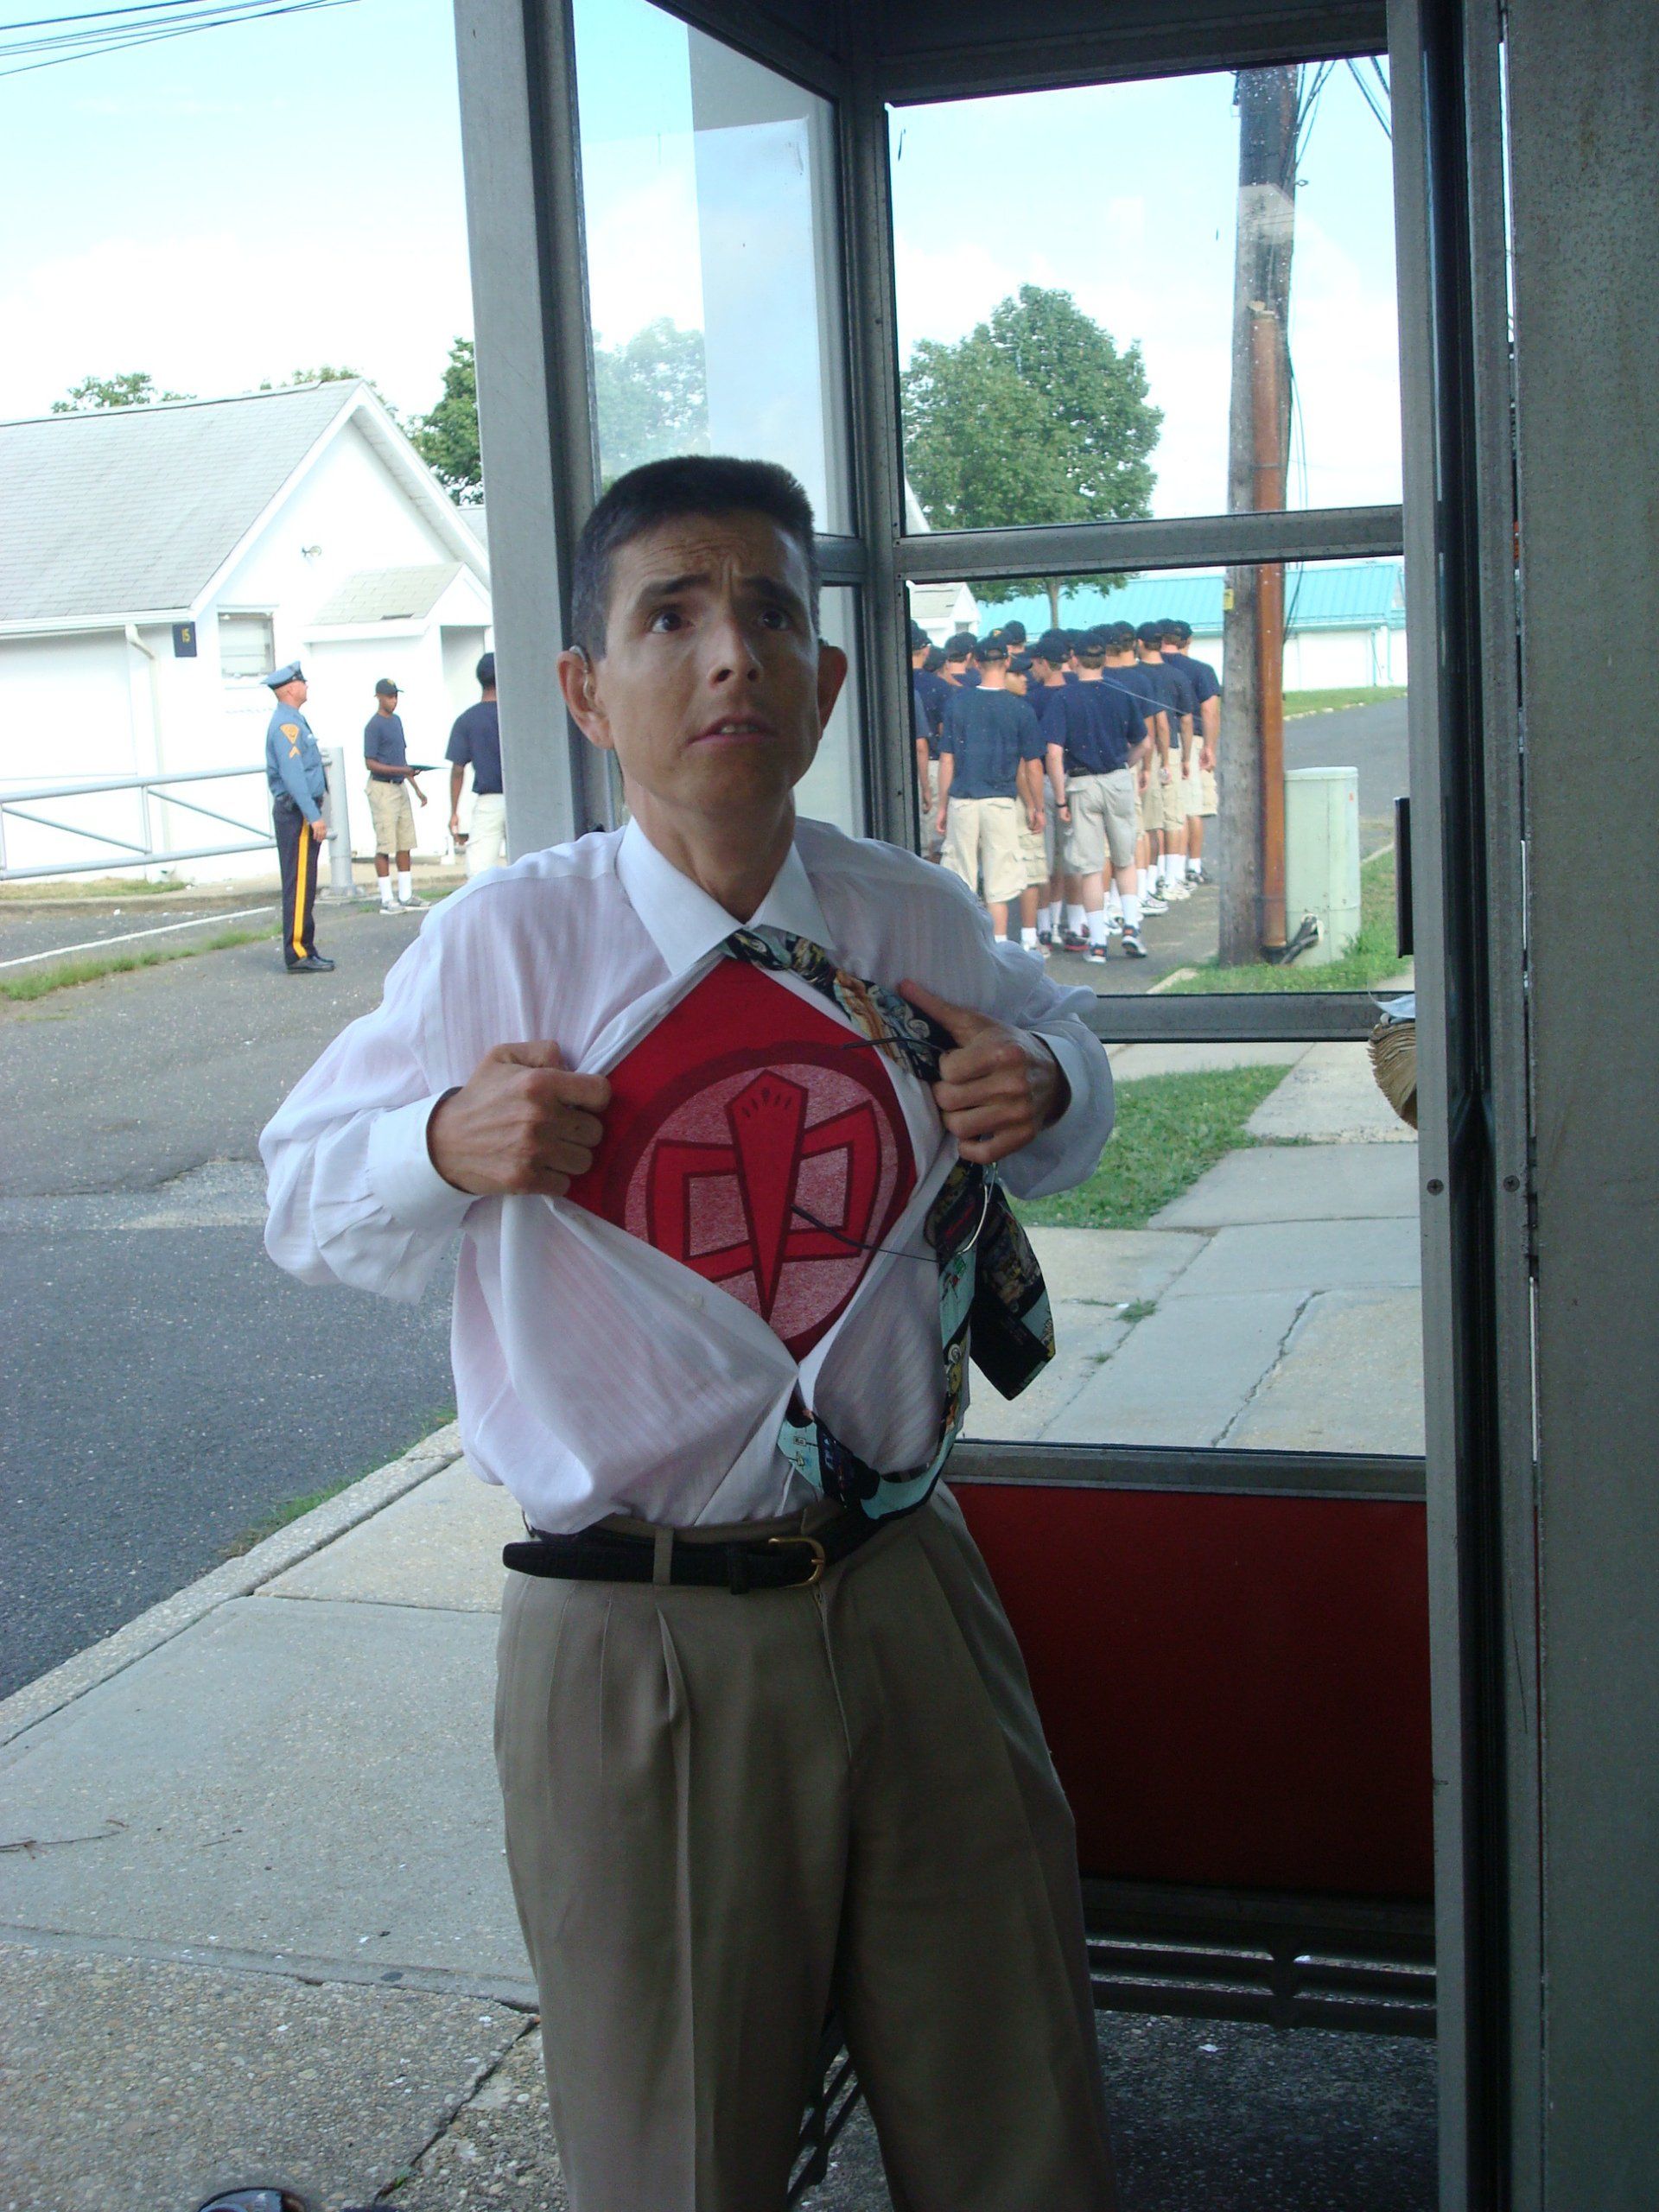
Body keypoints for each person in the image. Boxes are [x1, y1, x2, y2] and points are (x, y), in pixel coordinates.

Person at [261, 454, 1118, 2212]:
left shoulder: (907, 916)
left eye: (771, 614)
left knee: (1015, 2108)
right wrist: (440, 1143)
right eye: (672, 614)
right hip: (634, 1636)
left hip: (906, 1587)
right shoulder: (507, 944)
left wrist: (1047, 1080)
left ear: (827, 678)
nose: (730, 654)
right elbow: (301, 1192)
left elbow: (1072, 1065)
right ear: (586, 689)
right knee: (683, 2151)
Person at [1046, 626, 1151, 960]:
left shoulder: (1063, 697)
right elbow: (1143, 741)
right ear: (1104, 658)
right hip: (1117, 778)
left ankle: (1098, 940)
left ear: (1074, 659)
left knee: (1091, 865)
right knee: (1125, 858)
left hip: (1082, 783)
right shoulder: (1122, 692)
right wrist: (1126, 766)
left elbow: (1053, 752)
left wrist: (1060, 798)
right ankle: (1132, 926)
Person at [935, 633, 1047, 943]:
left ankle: (964, 943)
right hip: (1001, 802)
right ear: (1007, 662)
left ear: (976, 662)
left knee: (962, 879)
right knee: (999, 884)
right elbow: (1033, 765)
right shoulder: (1020, 708)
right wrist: (1037, 806)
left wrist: (942, 805)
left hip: (963, 799)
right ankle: (998, 946)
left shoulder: (957, 703)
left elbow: (947, 761)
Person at [262, 660, 334, 975]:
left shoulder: (294, 720)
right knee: (299, 882)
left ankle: (305, 946)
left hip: (300, 810)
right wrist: (313, 815)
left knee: (305, 882)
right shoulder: (286, 726)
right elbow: (293, 776)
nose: (306, 686)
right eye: (301, 682)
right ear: (290, 688)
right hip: (296, 812)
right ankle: (298, 951)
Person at [1161, 618, 1221, 884]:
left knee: (1165, 811)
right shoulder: (1201, 671)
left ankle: (1164, 869)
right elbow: (1209, 710)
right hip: (1192, 740)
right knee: (1191, 807)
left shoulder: (1150, 668)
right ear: (1188, 641)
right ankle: (1193, 866)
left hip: (1161, 740)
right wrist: (1209, 746)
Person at [363, 678, 429, 912]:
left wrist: (416, 787)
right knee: (385, 843)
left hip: (400, 786)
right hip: (382, 789)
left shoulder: (397, 722)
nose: (394, 701)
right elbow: (371, 763)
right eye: (390, 696)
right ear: (379, 697)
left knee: (405, 842)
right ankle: (386, 897)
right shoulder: (374, 726)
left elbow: (401, 759)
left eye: (396, 696)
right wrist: (404, 771)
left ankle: (406, 893)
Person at [447, 652, 506, 874]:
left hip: (489, 800)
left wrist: (454, 811)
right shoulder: (515, 715)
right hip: (522, 797)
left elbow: (457, 769)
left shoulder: (466, 720)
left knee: (479, 870)